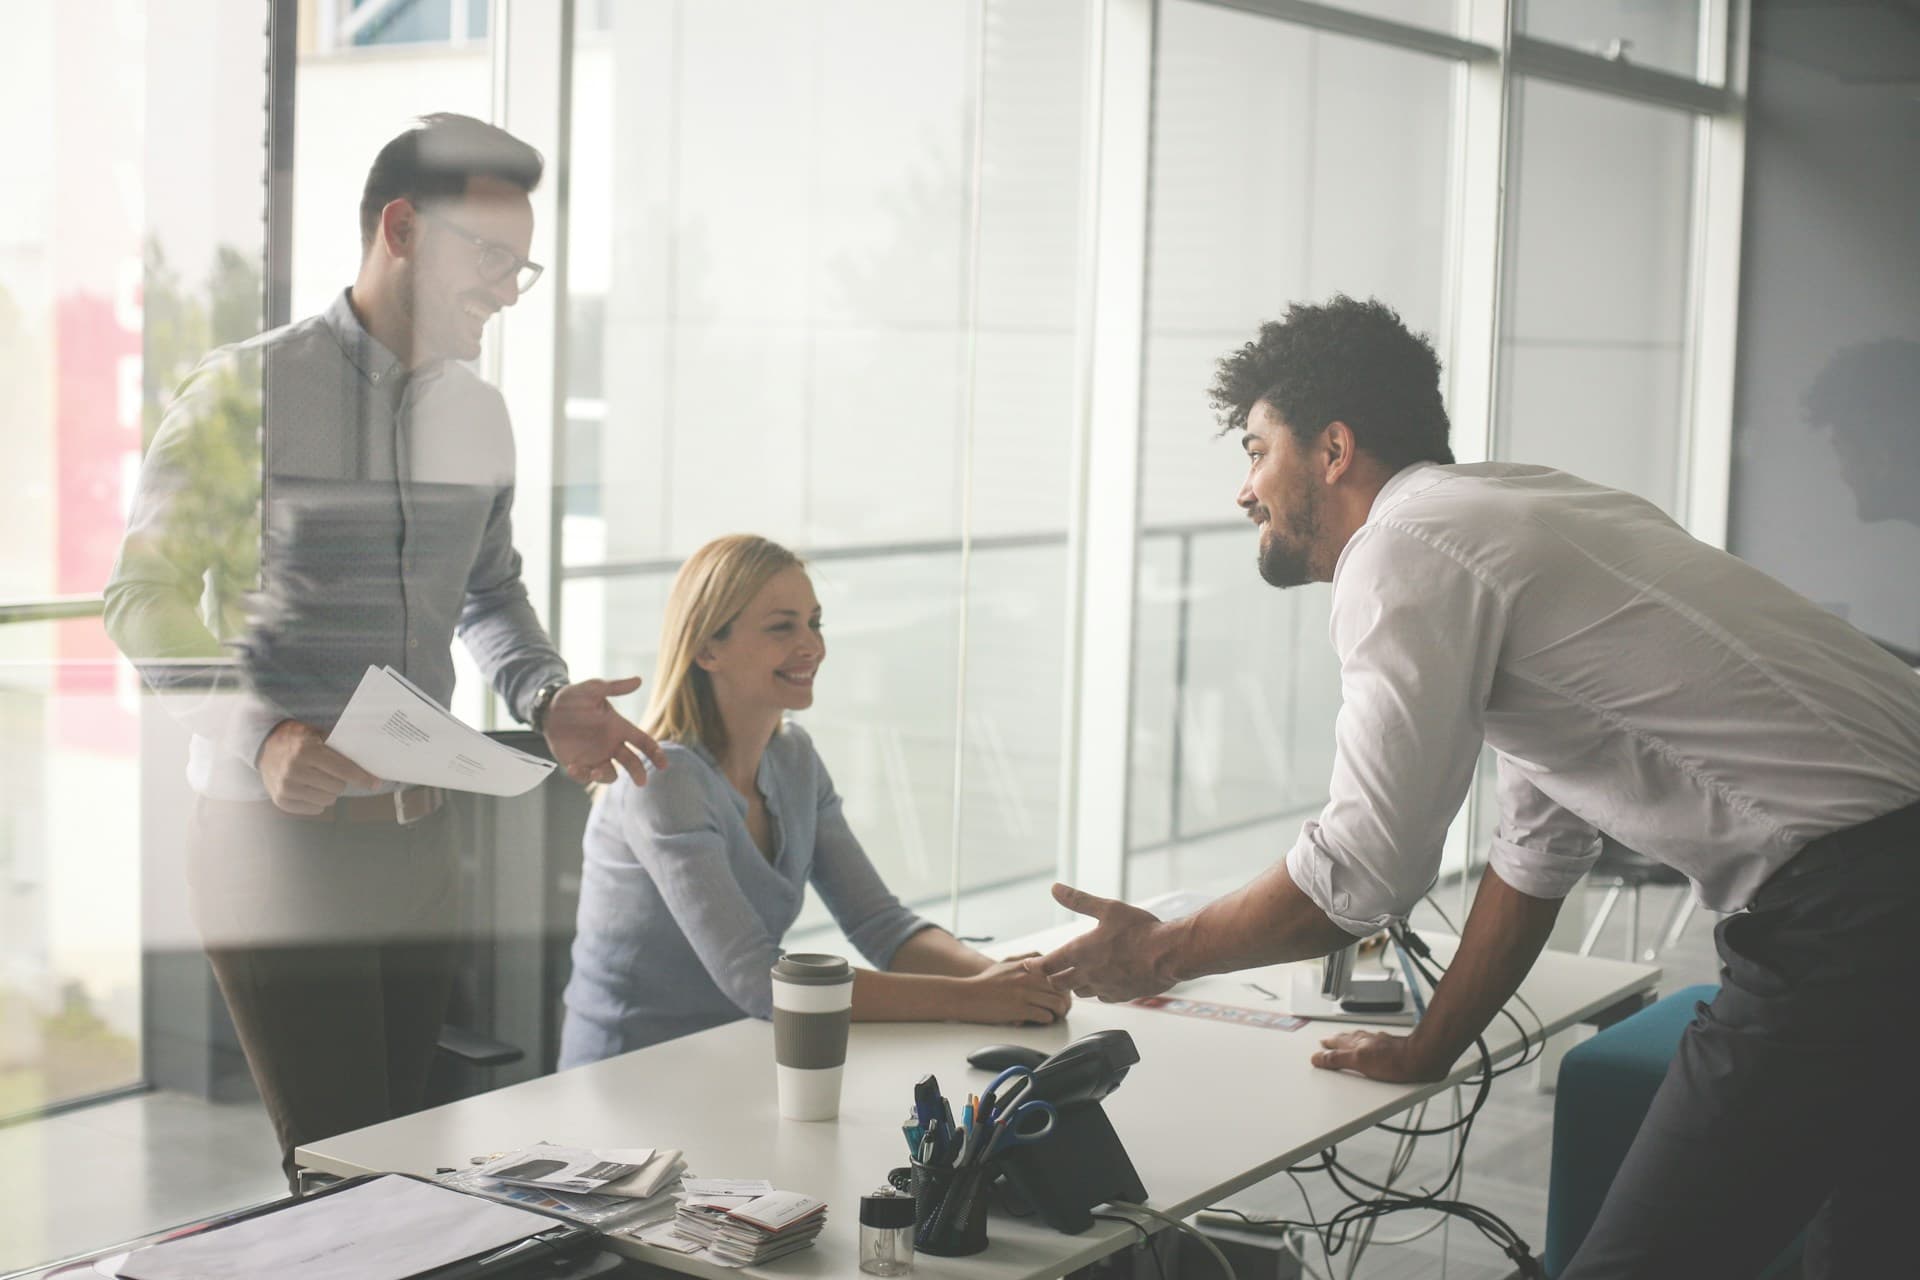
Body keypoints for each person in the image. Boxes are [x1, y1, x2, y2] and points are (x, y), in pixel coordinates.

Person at [1039, 296, 1920, 1278]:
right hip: (1885, 887)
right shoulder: (1528, 510)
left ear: (1332, 449)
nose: (1244, 490)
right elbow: (1540, 846)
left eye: (1256, 449)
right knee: (1873, 1246)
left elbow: (1360, 873)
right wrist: (1430, 1044)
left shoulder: (1402, 547)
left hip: (1860, 914)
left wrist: (1160, 951)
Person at [105, 113, 666, 1188]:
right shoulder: (248, 391)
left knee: (410, 1162)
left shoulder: (481, 415)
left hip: (422, 845)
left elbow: (491, 591)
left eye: (524, 265)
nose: (509, 289)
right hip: (275, 845)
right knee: (343, 1172)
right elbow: (143, 593)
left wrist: (544, 692)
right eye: (490, 256)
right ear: (402, 228)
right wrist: (264, 733)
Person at [559, 534, 1070, 1066]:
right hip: (629, 1080)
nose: (813, 646)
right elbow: (759, 980)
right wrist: (975, 999)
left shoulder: (793, 758)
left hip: (740, 1056)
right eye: (783, 627)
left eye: (815, 623)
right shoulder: (663, 780)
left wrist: (1007, 979)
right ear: (708, 649)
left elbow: (881, 926)